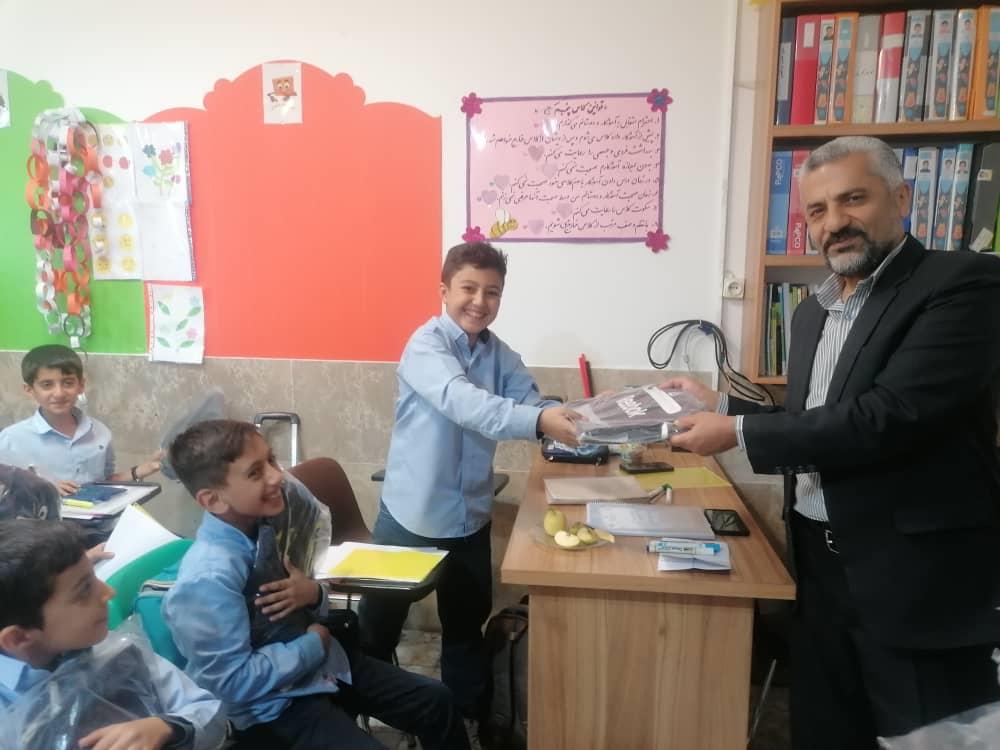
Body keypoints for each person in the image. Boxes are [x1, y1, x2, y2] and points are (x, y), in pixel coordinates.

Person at [664, 136, 1000, 748]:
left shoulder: (963, 284)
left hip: (914, 581)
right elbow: (817, 420)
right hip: (819, 568)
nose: (834, 223)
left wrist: (735, 432)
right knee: (825, 731)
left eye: (853, 199)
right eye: (817, 210)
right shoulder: (811, 312)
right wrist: (722, 406)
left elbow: (887, 417)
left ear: (901, 198)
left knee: (926, 738)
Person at [357, 241, 579, 737]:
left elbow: (529, 398)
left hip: (470, 517)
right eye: (469, 288)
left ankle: (461, 726)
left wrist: (564, 414)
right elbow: (464, 403)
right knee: (378, 629)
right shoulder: (426, 346)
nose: (480, 301)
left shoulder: (500, 355)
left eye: (492, 292)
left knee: (464, 629)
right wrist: (539, 421)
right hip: (412, 515)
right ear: (444, 290)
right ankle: (366, 719)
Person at [162, 419, 469, 750]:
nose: (277, 476)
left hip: (320, 666)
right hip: (271, 706)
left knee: (436, 701)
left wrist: (312, 594)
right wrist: (312, 645)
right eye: (255, 473)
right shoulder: (208, 578)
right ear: (213, 500)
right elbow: (232, 682)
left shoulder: (270, 525)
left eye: (271, 460)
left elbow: (308, 596)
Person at [0, 519, 226, 750]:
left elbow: (211, 714)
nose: (109, 592)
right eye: (84, 590)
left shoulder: (112, 652)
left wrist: (169, 728)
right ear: (19, 638)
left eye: (94, 577)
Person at [0, 345, 161, 496]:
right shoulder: (11, 439)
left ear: (81, 385)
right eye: (47, 385)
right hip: (45, 517)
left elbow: (104, 483)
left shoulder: (100, 432)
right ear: (29, 390)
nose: (59, 393)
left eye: (68, 383)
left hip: (98, 516)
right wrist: (44, 490)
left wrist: (141, 470)